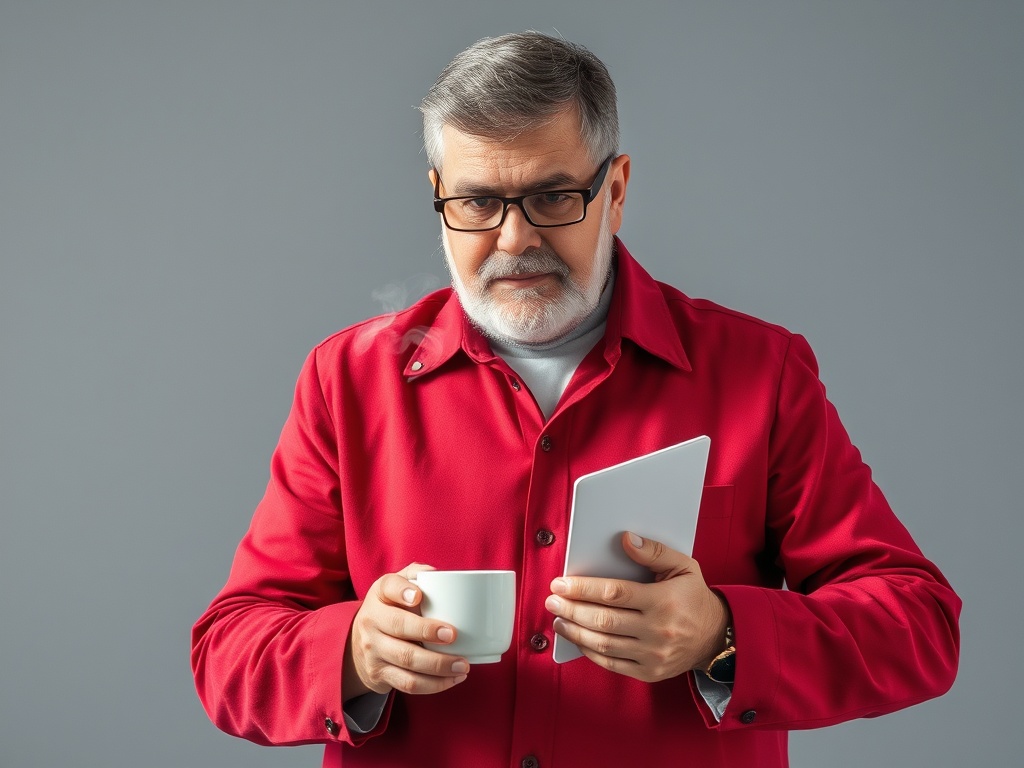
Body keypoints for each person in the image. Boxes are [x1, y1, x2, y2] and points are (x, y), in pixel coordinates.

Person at [191, 31, 960, 768]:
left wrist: (723, 636)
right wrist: (355, 652)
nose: (515, 238)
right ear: (438, 197)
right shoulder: (346, 380)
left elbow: (918, 627)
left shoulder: (762, 371)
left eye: (553, 196)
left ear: (615, 190)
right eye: (478, 203)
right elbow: (228, 656)